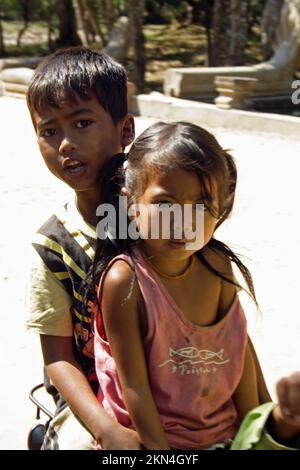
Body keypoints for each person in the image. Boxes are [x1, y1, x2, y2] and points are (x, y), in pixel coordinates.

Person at [86, 121, 300, 450]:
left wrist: (256, 435)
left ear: (221, 207)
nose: (184, 222)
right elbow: (135, 391)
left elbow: (237, 357)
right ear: (131, 203)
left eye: (201, 206)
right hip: (153, 442)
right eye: (165, 204)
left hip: (222, 437)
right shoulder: (124, 281)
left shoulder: (217, 267)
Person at [25, 46, 142, 450]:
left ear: (125, 130)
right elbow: (57, 359)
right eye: (50, 130)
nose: (66, 144)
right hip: (95, 398)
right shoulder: (54, 244)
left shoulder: (164, 220)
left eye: (83, 122)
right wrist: (106, 430)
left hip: (172, 380)